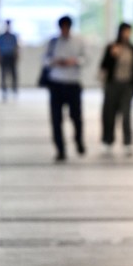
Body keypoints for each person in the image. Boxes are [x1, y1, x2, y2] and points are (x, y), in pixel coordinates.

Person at [44, 15, 86, 162]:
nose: (65, 30)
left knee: (76, 117)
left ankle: (78, 140)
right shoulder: (53, 42)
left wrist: (74, 61)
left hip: (73, 83)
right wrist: (55, 61)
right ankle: (60, 149)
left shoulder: (78, 41)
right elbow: (45, 60)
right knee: (56, 119)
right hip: (56, 83)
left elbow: (85, 58)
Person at [100, 22, 133, 156]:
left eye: (129, 32)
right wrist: (112, 55)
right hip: (113, 84)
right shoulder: (112, 46)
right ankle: (107, 141)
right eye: (125, 31)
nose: (127, 34)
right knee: (109, 114)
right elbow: (103, 66)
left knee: (126, 114)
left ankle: (127, 142)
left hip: (127, 85)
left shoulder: (132, 49)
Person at [0, 19, 19, 99]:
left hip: (11, 56)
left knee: (13, 74)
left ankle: (14, 89)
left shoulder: (13, 37)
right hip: (4, 57)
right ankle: (4, 90)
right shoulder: (0, 37)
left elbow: (16, 47)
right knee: (3, 74)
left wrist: (16, 56)